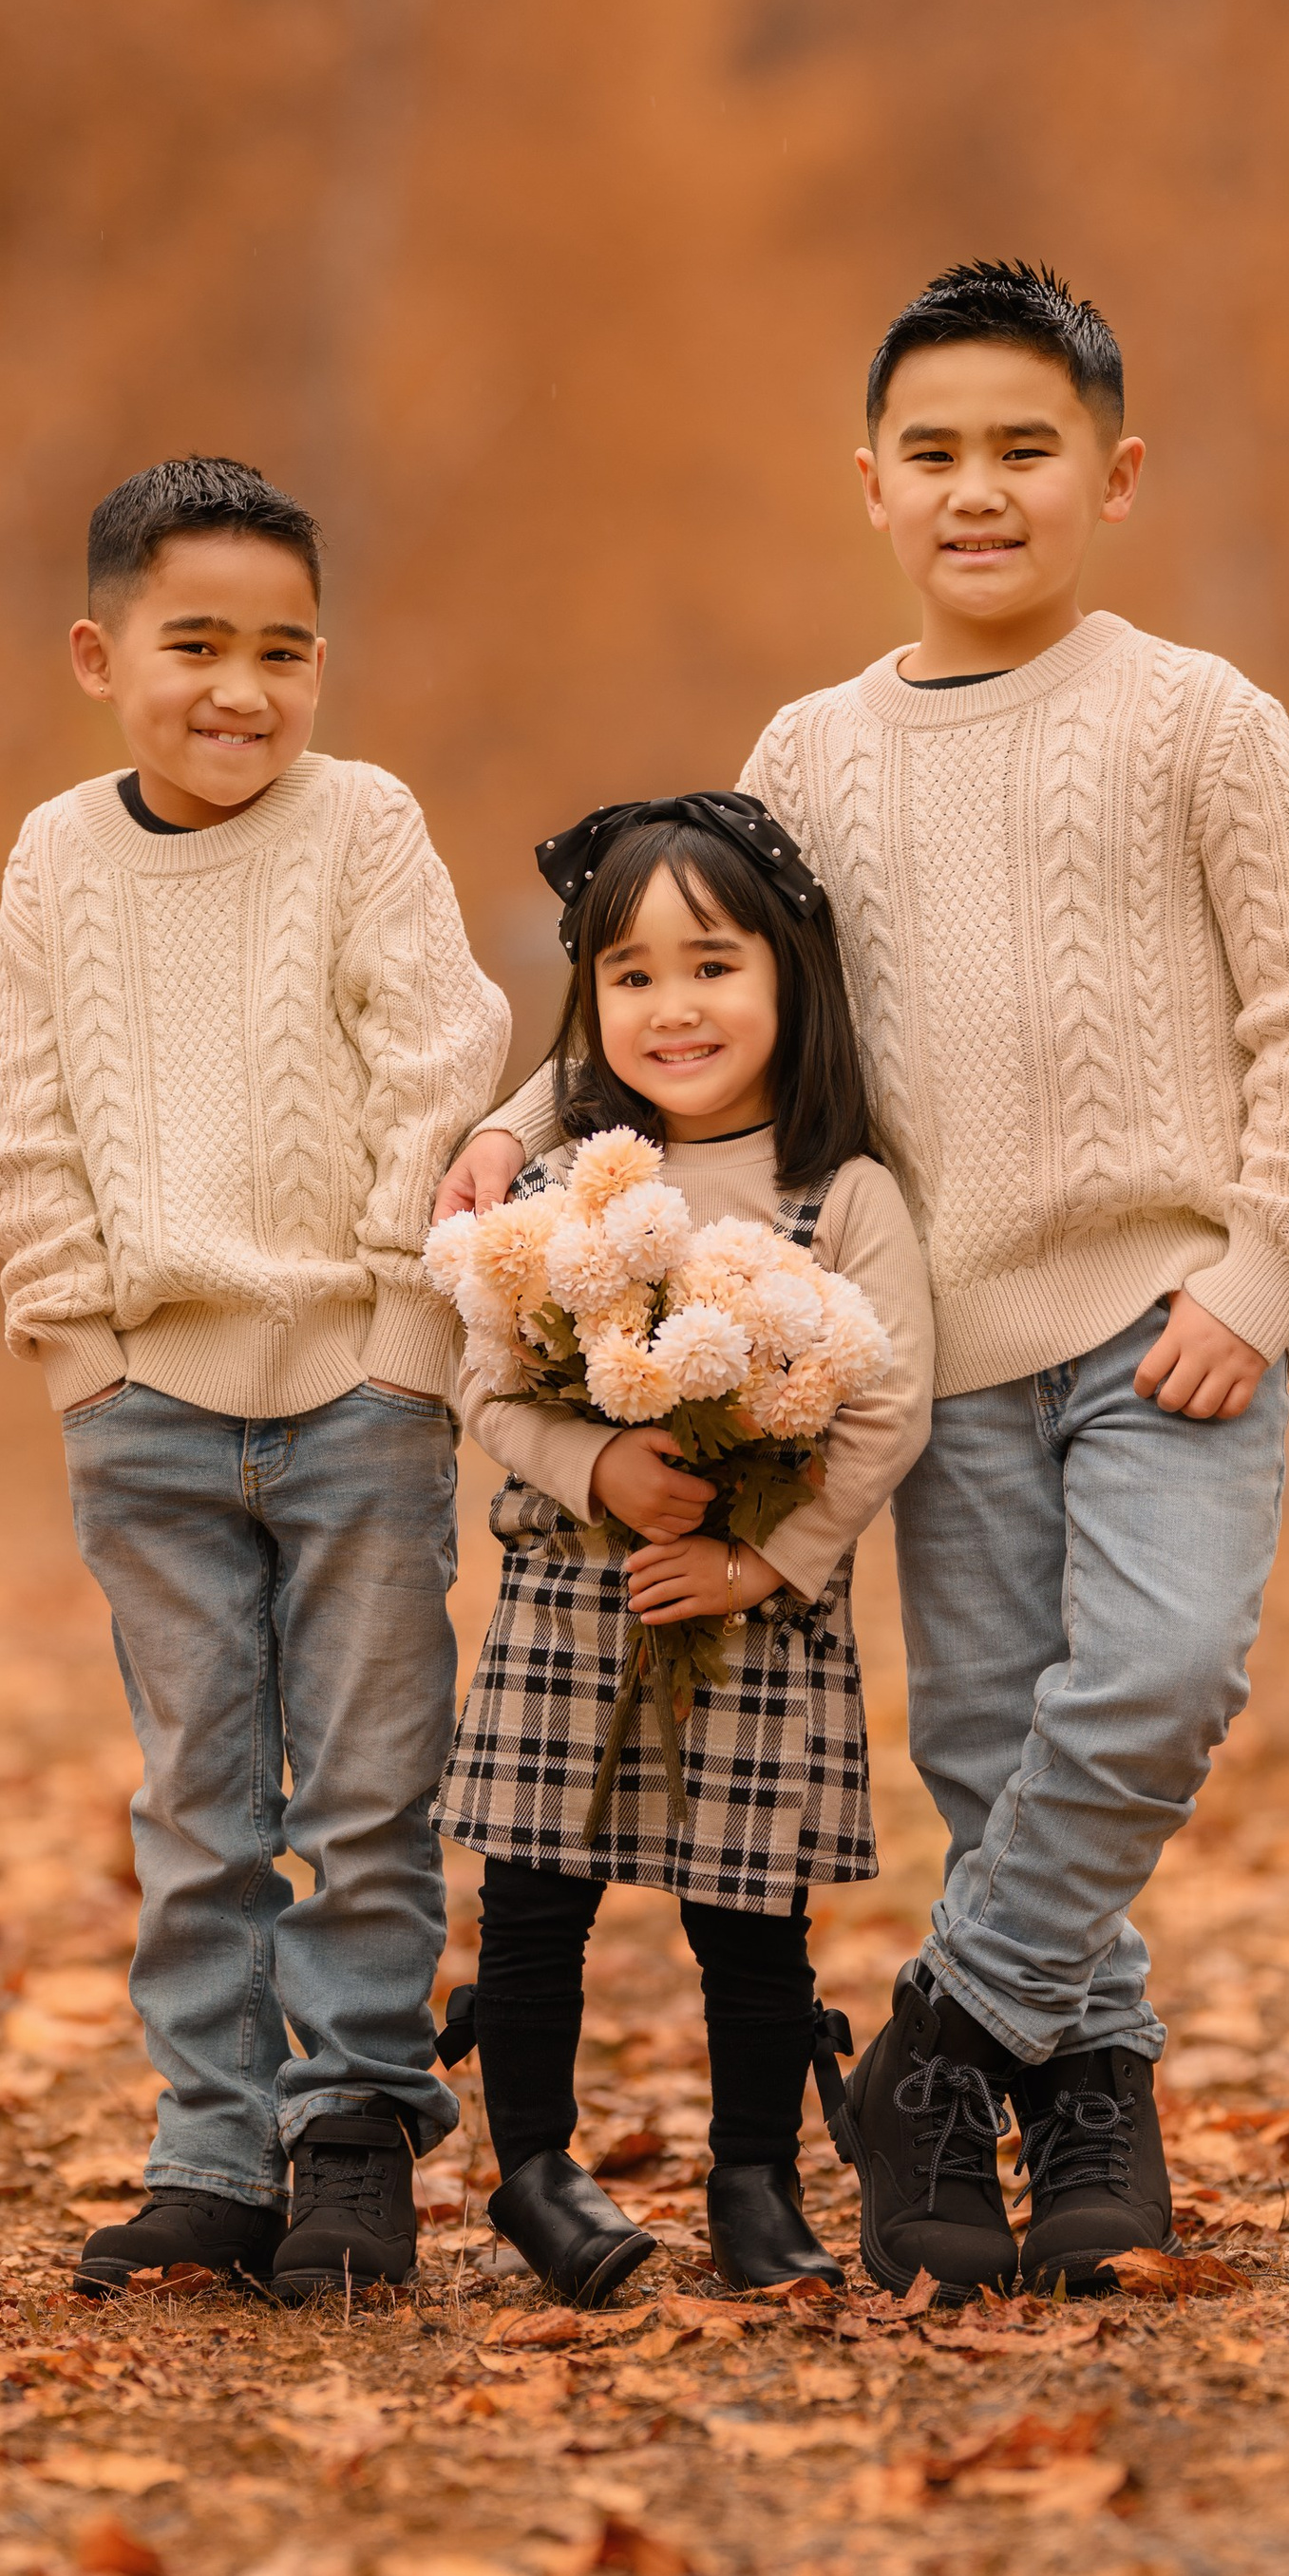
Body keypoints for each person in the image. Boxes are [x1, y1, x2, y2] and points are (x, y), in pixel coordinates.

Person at [440, 263, 1289, 2297]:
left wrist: (1262, 1267)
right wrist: (523, 1118)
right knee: (981, 1736)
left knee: (1147, 1681)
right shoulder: (814, 746)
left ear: (1110, 475)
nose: (978, 490)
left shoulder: (1199, 719)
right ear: (866, 482)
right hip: (926, 1339)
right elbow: (686, 977)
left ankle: (943, 2041)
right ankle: (1085, 2088)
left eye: (1023, 449)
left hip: (1165, 1321)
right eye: (933, 452)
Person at [0, 455, 509, 2305]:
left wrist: (392, 1340)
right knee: (200, 1798)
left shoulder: (359, 824)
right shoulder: (58, 856)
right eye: (192, 642)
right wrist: (82, 1354)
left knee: (364, 1783)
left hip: (357, 1394)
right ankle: (211, 2140)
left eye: (281, 649)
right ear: (95, 651)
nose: (239, 688)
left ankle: (347, 2126)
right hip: (145, 1405)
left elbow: (441, 1058)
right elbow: (31, 1125)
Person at [434, 798, 932, 2306]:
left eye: (711, 965)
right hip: (571, 1590)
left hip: (755, 1609)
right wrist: (594, 1459)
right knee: (529, 1902)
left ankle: (755, 2177)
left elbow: (890, 1398)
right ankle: (533, 2167)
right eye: (630, 975)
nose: (673, 1006)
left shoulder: (841, 1190)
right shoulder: (571, 1183)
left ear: (789, 980)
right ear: (588, 1006)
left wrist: (761, 1561)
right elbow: (483, 1378)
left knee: (748, 1919)